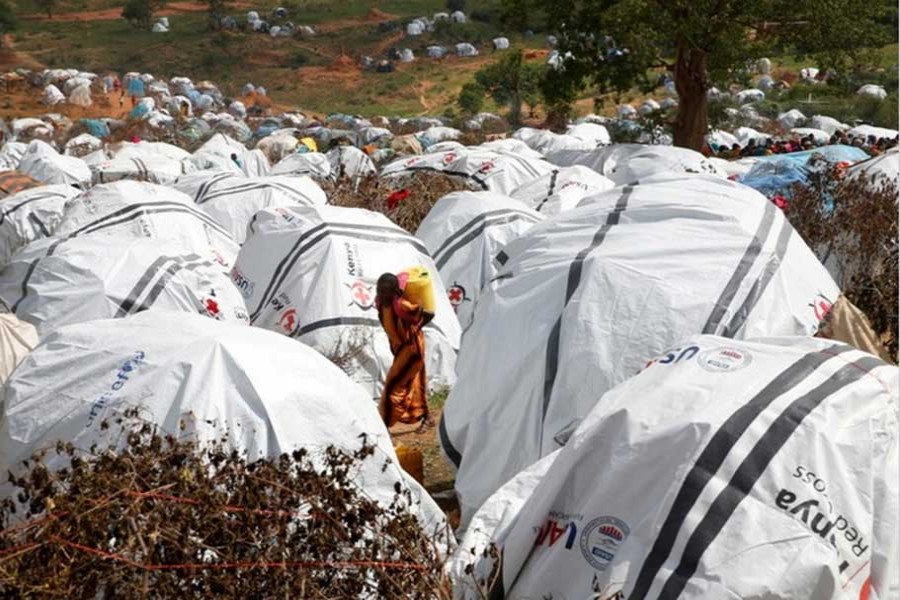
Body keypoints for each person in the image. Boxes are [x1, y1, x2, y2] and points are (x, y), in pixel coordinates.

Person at [376, 272, 435, 432]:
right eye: (379, 290)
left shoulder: (402, 305)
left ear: (395, 291)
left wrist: (417, 327)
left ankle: (384, 424)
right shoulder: (380, 304)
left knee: (392, 385)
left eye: (386, 291)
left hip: (412, 348)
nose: (382, 294)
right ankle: (427, 417)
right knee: (416, 383)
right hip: (400, 348)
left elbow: (429, 313)